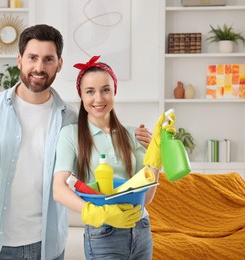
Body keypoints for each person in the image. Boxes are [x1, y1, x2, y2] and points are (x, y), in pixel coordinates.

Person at [0, 25, 152, 260]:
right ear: (19, 60)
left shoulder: (70, 120)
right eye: (32, 58)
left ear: (59, 63)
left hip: (48, 244)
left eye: (48, 59)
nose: (39, 67)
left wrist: (148, 150)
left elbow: (103, 165)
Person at [53, 55, 175, 259]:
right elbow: (58, 189)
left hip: (141, 228)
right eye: (90, 91)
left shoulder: (133, 135)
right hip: (103, 232)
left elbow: (145, 198)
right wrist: (97, 213)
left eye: (105, 90)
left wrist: (155, 159)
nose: (99, 99)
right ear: (81, 96)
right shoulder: (70, 135)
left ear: (114, 92)